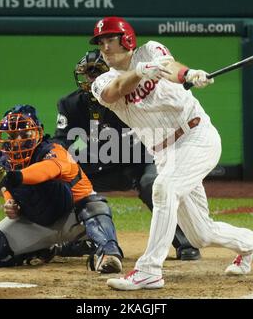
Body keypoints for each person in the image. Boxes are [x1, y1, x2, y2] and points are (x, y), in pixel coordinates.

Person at [88, 16, 253, 290]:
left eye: (109, 40)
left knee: (163, 188)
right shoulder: (102, 82)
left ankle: (149, 270)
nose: (105, 47)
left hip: (196, 136)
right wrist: (140, 73)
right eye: (100, 43)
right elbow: (115, 92)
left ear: (126, 39)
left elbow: (170, 68)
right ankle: (250, 242)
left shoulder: (150, 50)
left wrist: (189, 74)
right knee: (199, 235)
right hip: (166, 154)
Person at [52, 49, 201, 261]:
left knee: (154, 183)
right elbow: (62, 141)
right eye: (87, 73)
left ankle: (186, 242)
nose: (90, 78)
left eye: (96, 72)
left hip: (139, 159)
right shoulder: (70, 104)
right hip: (98, 163)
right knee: (61, 180)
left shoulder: (133, 97)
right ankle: (81, 239)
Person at [0, 104, 124, 274]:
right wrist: (9, 201)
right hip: (36, 224)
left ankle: (108, 253)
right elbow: (5, 185)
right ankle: (49, 249)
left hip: (74, 218)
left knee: (95, 205)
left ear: (39, 132)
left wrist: (16, 176)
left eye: (25, 134)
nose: (18, 140)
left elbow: (48, 169)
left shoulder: (53, 150)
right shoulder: (3, 159)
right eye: (13, 135)